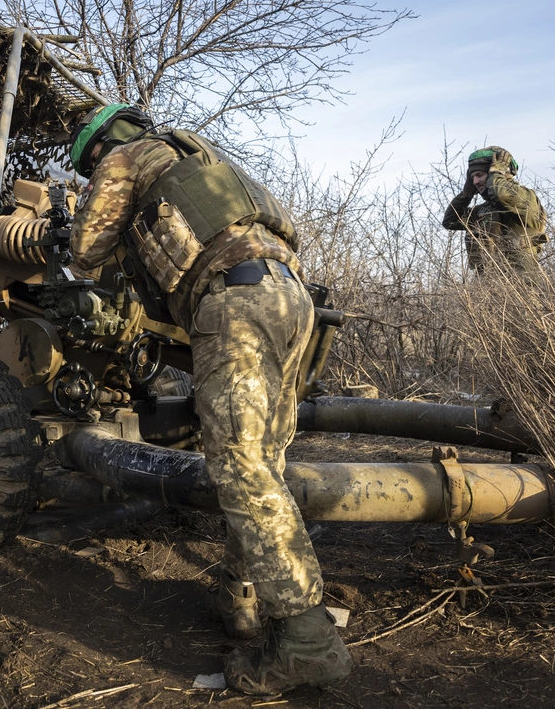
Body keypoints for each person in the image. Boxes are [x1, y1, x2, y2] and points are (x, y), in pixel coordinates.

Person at [67, 104, 351, 694]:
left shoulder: (125, 158)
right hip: (290, 299)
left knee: (241, 467)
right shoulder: (205, 162)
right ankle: (246, 602)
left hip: (232, 303)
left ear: (98, 149)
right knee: (262, 465)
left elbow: (87, 249)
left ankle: (306, 639)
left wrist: (71, 224)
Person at [442, 146, 548, 275]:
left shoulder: (526, 198)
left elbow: (501, 194)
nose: (475, 181)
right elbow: (450, 221)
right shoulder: (483, 211)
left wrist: (497, 173)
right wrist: (466, 194)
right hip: (489, 287)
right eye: (472, 177)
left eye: (479, 175)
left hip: (521, 285)